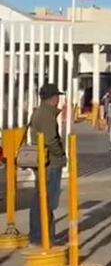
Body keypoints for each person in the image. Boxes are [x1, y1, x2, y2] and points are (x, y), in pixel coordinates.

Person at [28, 82, 66, 247]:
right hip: (50, 163)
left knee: (40, 200)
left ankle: (41, 235)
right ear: (52, 98)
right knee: (47, 201)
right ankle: (41, 236)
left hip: (43, 162)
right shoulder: (46, 115)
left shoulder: (39, 113)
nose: (59, 99)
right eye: (57, 96)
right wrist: (61, 155)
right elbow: (51, 139)